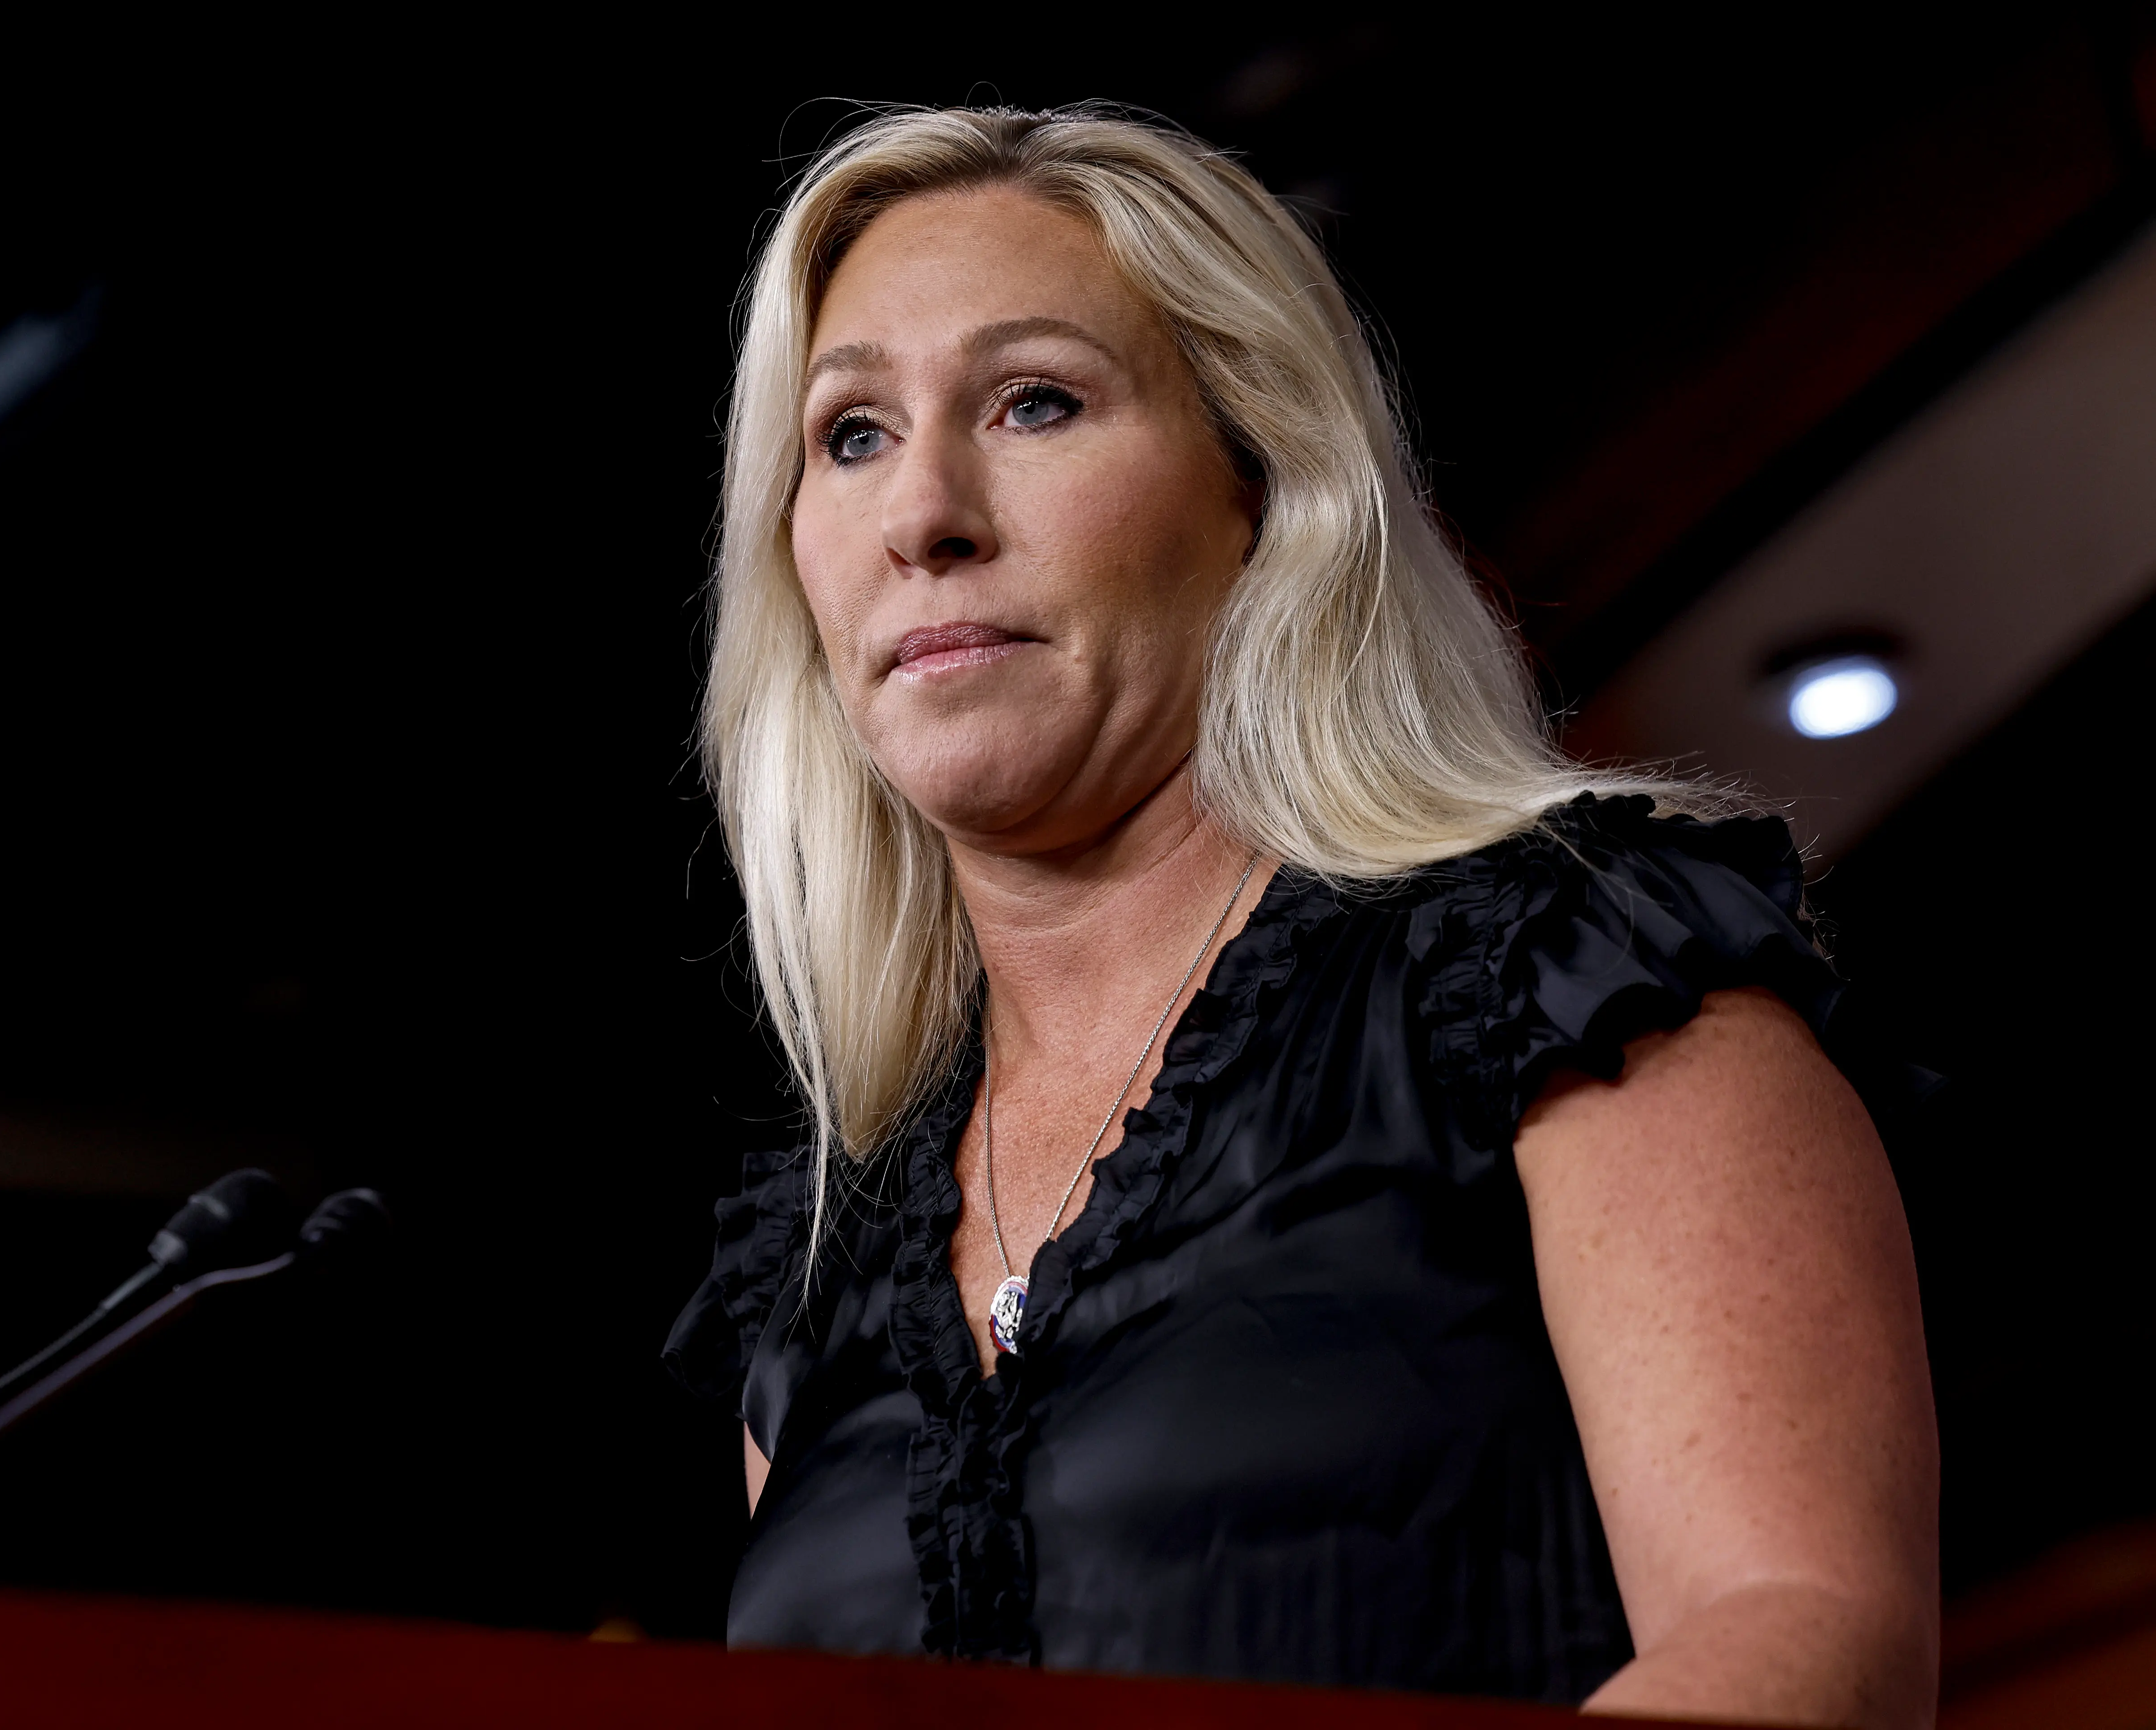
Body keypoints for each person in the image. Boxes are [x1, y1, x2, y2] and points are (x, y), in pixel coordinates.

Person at [665, 106, 1937, 1727]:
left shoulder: (1578, 975)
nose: (924, 513)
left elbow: (1806, 1645)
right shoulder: (824, 1256)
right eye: (849, 435)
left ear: (1261, 486)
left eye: (1035, 402)